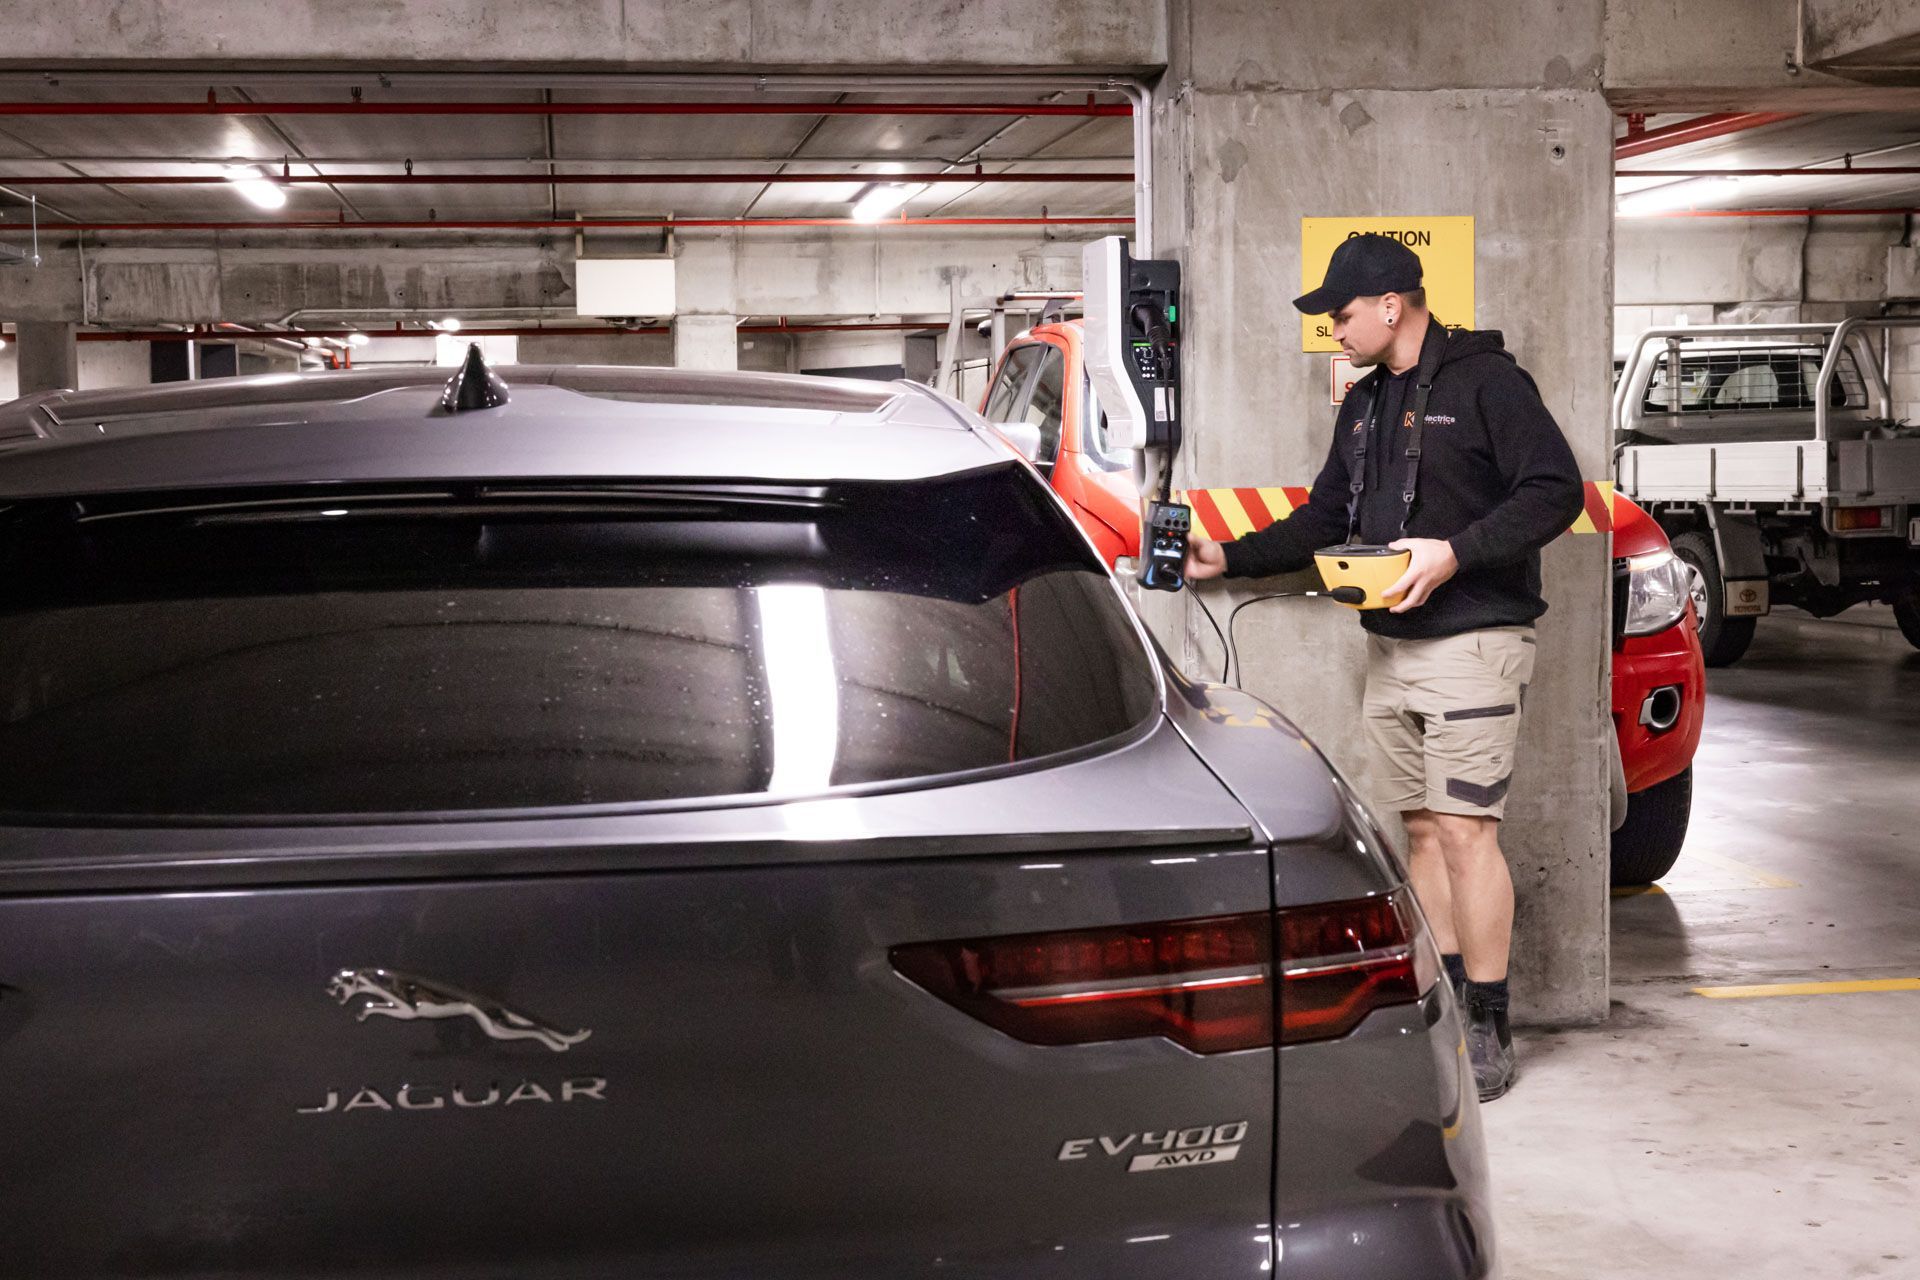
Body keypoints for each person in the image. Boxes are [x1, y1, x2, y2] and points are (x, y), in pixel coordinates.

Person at [1185, 233, 1584, 1101]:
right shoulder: (1365, 404)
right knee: (1423, 833)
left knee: (1468, 833)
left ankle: (1490, 1023)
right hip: (1392, 651)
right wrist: (1230, 557)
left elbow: (1556, 491)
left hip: (1473, 644)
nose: (1334, 329)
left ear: (1393, 305)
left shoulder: (1488, 384)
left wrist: (1454, 552)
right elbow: (1324, 517)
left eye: (1343, 314)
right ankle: (1444, 1006)